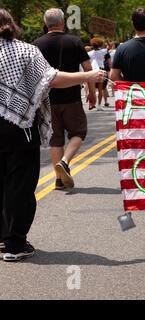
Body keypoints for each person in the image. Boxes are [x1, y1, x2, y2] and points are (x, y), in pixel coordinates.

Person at [0, 8, 105, 261]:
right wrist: (88, 76)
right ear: (11, 25)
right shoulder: (26, 50)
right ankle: (14, 244)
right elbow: (52, 79)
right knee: (20, 186)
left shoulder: (31, 48)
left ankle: (4, 238)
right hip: (19, 127)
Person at [33, 8, 96, 190]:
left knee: (56, 139)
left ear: (46, 24)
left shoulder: (36, 44)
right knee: (78, 132)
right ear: (63, 22)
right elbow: (88, 69)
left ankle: (59, 179)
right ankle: (65, 161)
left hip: (47, 100)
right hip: (72, 97)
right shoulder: (75, 42)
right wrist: (91, 92)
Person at [88, 38, 108, 110]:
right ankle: (99, 105)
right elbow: (107, 47)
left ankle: (91, 104)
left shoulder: (89, 53)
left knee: (91, 89)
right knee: (100, 89)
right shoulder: (103, 51)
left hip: (92, 70)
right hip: (101, 70)